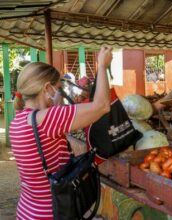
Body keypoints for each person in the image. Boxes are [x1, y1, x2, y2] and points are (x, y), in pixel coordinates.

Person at [10, 47, 113, 219]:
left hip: (27, 211)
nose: (59, 94)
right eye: (58, 88)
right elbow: (102, 106)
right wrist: (102, 66)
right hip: (52, 213)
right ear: (47, 88)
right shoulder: (47, 119)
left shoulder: (17, 121)